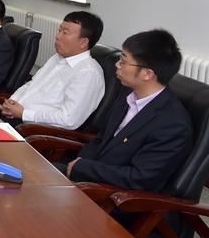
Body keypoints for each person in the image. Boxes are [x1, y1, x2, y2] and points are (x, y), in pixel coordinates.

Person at [63, 29, 192, 192]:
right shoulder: (129, 95)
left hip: (114, 196)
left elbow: (139, 179)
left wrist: (84, 167)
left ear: (147, 74)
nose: (117, 65)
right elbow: (101, 139)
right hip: (89, 178)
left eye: (123, 61)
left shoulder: (173, 125)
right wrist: (79, 163)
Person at [0, 11, 105, 130]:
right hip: (15, 116)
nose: (58, 36)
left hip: (33, 130)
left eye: (65, 33)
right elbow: (32, 84)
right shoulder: (57, 58)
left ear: (83, 42)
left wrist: (24, 114)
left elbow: (68, 119)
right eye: (59, 30)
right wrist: (12, 101)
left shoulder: (88, 73)